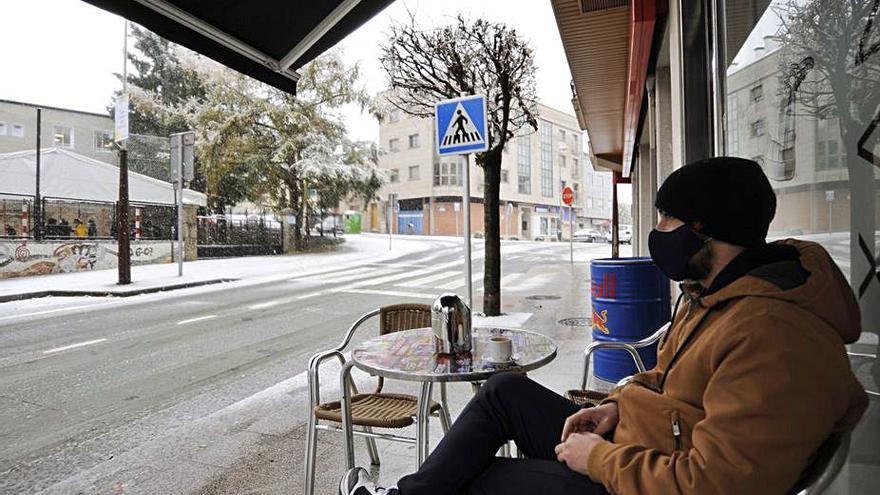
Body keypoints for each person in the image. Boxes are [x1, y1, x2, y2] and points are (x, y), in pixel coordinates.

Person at [339, 157, 868, 495]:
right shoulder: (712, 296)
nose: (656, 232)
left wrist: (602, 461)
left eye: (666, 219)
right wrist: (617, 406)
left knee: (477, 479)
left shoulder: (775, 335)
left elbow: (720, 484)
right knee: (503, 390)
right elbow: (665, 379)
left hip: (641, 478)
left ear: (707, 230)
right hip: (640, 441)